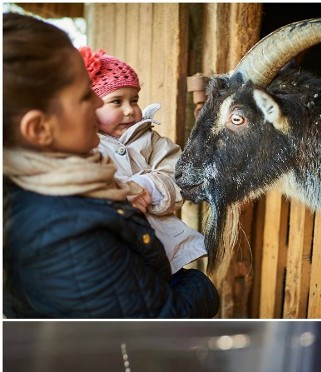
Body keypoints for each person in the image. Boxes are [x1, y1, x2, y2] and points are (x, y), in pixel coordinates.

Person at [3, 13, 219, 318]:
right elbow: (159, 320)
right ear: (39, 129)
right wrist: (200, 286)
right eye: (84, 96)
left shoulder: (71, 183)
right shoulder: (67, 234)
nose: (96, 104)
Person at [80, 46, 206, 274]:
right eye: (116, 101)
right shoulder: (81, 146)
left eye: (134, 100)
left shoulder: (151, 140)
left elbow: (179, 176)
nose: (130, 110)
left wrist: (148, 188)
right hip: (107, 255)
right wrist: (117, 194)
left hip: (160, 251)